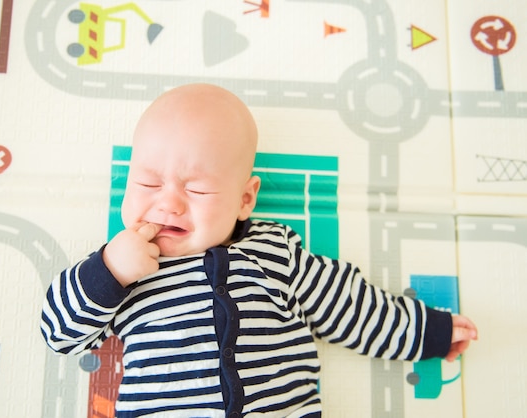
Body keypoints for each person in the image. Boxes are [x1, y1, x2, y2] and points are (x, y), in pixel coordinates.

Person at [41, 83, 478, 417]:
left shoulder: (275, 253)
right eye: (147, 183)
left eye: (196, 188)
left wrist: (426, 333)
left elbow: (351, 306)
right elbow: (58, 333)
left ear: (244, 199)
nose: (167, 202)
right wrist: (109, 270)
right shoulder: (122, 271)